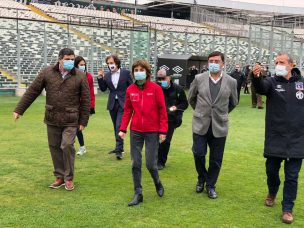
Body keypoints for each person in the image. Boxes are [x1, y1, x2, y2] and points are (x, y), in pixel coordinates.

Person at [13, 48, 90, 191]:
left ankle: (69, 178)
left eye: (72, 59)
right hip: (52, 117)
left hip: (71, 118)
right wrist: (19, 109)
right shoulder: (47, 72)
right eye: (67, 59)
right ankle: (59, 176)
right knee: (54, 148)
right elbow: (33, 91)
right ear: (60, 59)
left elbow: (86, 100)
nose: (70, 62)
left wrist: (83, 121)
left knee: (67, 145)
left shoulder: (80, 76)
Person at [251, 52, 304, 224]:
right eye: (276, 62)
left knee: (292, 176)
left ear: (291, 65)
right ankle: (272, 192)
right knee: (271, 171)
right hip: (275, 136)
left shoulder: (301, 84)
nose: (278, 65)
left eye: (281, 62)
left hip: (297, 138)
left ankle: (287, 209)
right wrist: (256, 77)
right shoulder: (271, 82)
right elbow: (260, 88)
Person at [188, 51, 238, 199]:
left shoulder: (231, 81)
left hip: (219, 126)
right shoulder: (198, 78)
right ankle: (201, 178)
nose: (213, 64)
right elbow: (191, 98)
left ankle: (210, 185)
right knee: (198, 154)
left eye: (217, 61)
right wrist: (201, 112)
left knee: (216, 159)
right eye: (211, 61)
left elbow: (233, 102)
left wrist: (221, 113)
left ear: (223, 63)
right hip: (200, 123)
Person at [118, 60, 168, 206]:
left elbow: (162, 110)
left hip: (152, 131)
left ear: (147, 72)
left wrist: (163, 130)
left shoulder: (156, 89)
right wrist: (122, 128)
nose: (138, 72)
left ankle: (157, 182)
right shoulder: (130, 90)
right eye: (136, 69)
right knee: (135, 163)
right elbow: (127, 111)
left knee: (151, 164)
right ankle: (138, 193)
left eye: (141, 69)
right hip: (136, 131)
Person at [97, 55, 133, 159]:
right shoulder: (107, 75)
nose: (110, 65)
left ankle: (119, 150)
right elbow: (103, 89)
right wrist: (100, 78)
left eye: (111, 62)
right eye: (108, 63)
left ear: (117, 62)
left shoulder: (125, 73)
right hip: (112, 103)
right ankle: (119, 147)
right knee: (115, 127)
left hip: (123, 103)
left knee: (119, 126)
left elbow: (131, 86)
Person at [156, 69, 188, 170]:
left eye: (163, 78)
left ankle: (161, 162)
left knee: (165, 141)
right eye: (159, 79)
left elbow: (184, 103)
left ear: (169, 77)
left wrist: (176, 107)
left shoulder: (178, 89)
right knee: (154, 140)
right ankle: (154, 159)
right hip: (156, 118)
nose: (161, 80)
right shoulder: (156, 88)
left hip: (171, 119)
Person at [74, 56, 95, 156]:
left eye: (84, 65)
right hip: (73, 104)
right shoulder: (72, 75)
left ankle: (82, 147)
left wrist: (91, 107)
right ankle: (72, 145)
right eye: (81, 65)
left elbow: (91, 93)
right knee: (72, 126)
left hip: (83, 106)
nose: (83, 66)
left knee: (78, 126)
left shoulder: (89, 77)